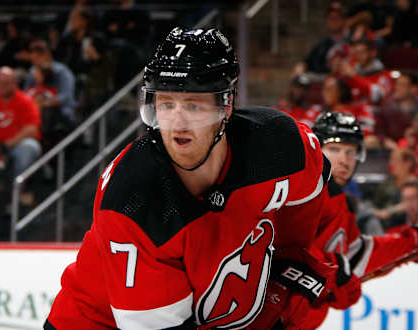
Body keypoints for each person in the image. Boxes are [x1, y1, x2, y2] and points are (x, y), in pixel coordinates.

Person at [45, 27, 336, 329]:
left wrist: (289, 264)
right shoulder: (133, 197)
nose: (177, 123)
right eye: (167, 104)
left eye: (193, 105)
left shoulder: (280, 146)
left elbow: (312, 196)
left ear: (226, 106)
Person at [303, 112, 418, 329]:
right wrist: (335, 273)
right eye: (335, 149)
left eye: (350, 151)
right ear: (316, 149)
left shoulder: (339, 201)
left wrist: (410, 241)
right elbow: (286, 249)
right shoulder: (300, 193)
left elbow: (358, 253)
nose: (344, 160)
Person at [0, 66, 42, 179]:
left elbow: (31, 129)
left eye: (6, 82)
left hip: (17, 144)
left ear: (14, 83)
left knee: (30, 146)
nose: (2, 85)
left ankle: (18, 189)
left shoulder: (26, 101)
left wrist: (8, 143)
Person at [25, 40, 77, 128]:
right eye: (33, 61)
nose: (35, 64)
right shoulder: (32, 72)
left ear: (46, 55)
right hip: (36, 109)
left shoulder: (62, 72)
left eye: (37, 59)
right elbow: (25, 94)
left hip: (62, 113)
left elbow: (65, 96)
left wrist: (45, 103)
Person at [293, 2, 349, 76]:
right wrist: (300, 67)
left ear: (344, 20)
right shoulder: (322, 44)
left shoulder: (353, 40)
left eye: (336, 18)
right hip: (323, 79)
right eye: (329, 18)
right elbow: (306, 62)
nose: (332, 21)